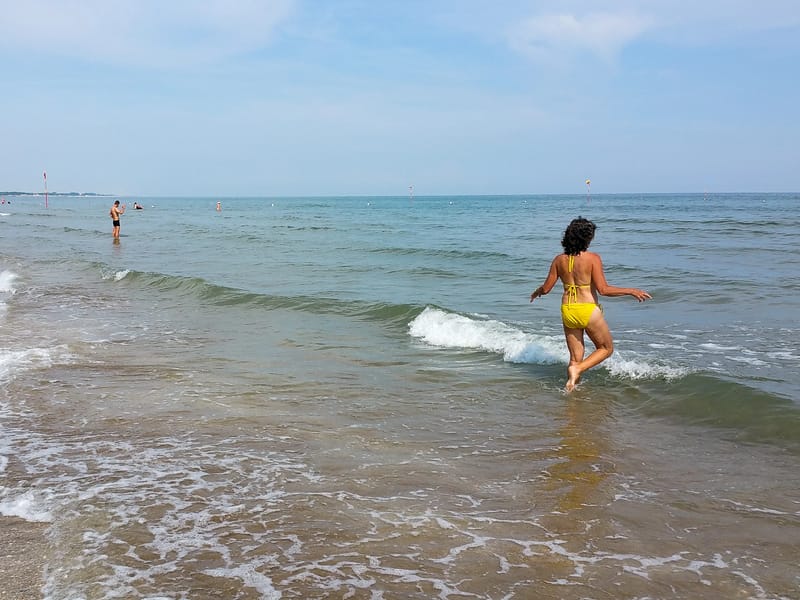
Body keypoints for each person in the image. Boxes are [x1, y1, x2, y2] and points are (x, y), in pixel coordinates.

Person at [530, 217, 651, 391]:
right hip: (587, 309)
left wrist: (537, 291)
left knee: (575, 357)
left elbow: (547, 288)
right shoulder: (593, 258)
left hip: (568, 310)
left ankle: (571, 390)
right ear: (587, 238)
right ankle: (578, 369)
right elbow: (603, 289)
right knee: (606, 348)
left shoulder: (559, 260)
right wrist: (631, 290)